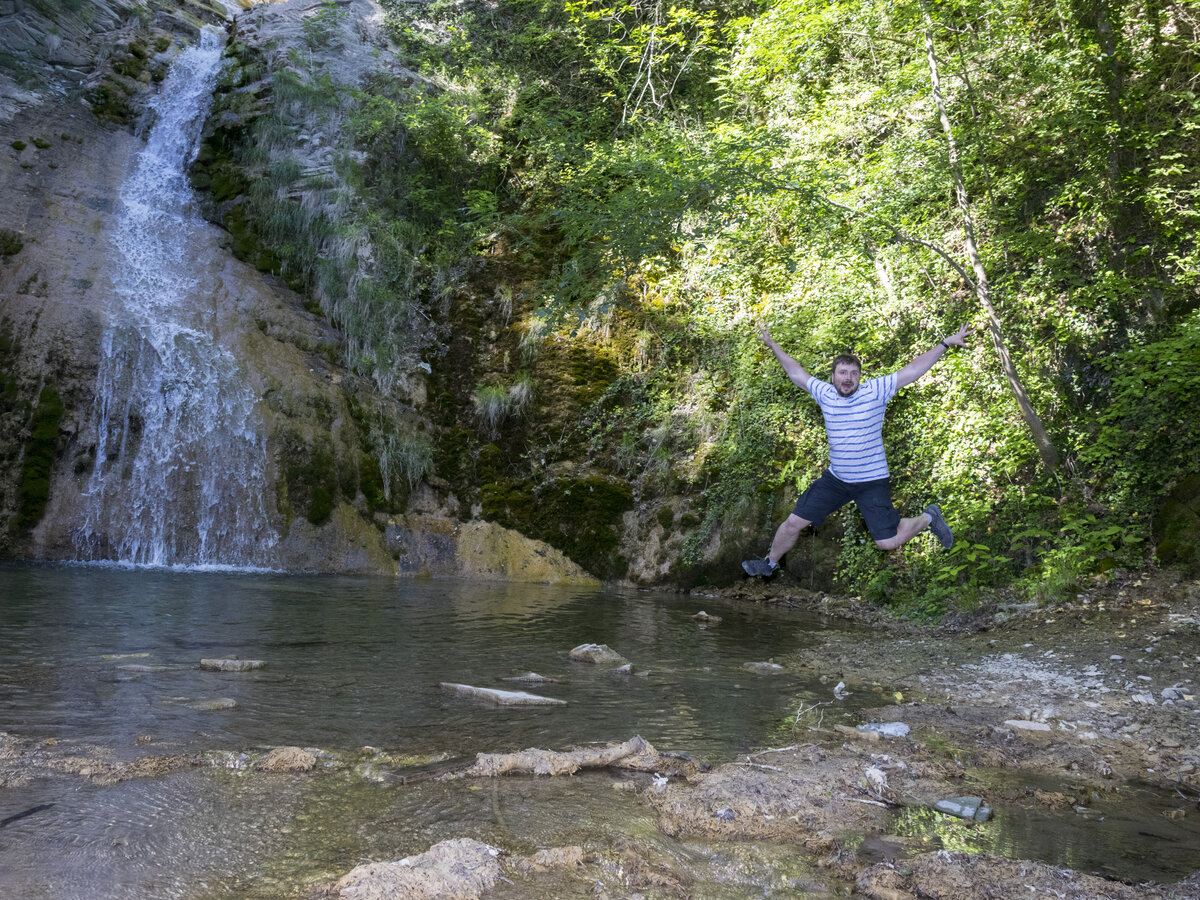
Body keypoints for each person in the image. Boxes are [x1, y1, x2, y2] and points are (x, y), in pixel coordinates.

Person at [742, 323, 974, 578]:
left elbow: (913, 369)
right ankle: (770, 564)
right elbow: (796, 372)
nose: (848, 378)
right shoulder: (825, 393)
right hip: (837, 479)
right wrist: (773, 345)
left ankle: (929, 518)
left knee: (886, 542)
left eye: (853, 373)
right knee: (793, 523)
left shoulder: (876, 391)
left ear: (859, 378)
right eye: (843, 373)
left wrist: (945, 344)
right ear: (833, 376)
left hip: (871, 481)